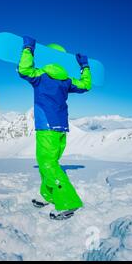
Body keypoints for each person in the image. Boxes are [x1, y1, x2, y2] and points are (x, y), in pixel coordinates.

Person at [18, 36, 92, 220]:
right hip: (61, 128)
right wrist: (84, 67)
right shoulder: (66, 80)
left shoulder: (41, 76)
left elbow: (24, 69)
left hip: (46, 127)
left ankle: (68, 202)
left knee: (48, 164)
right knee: (50, 163)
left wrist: (28, 48)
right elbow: (86, 85)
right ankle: (48, 194)